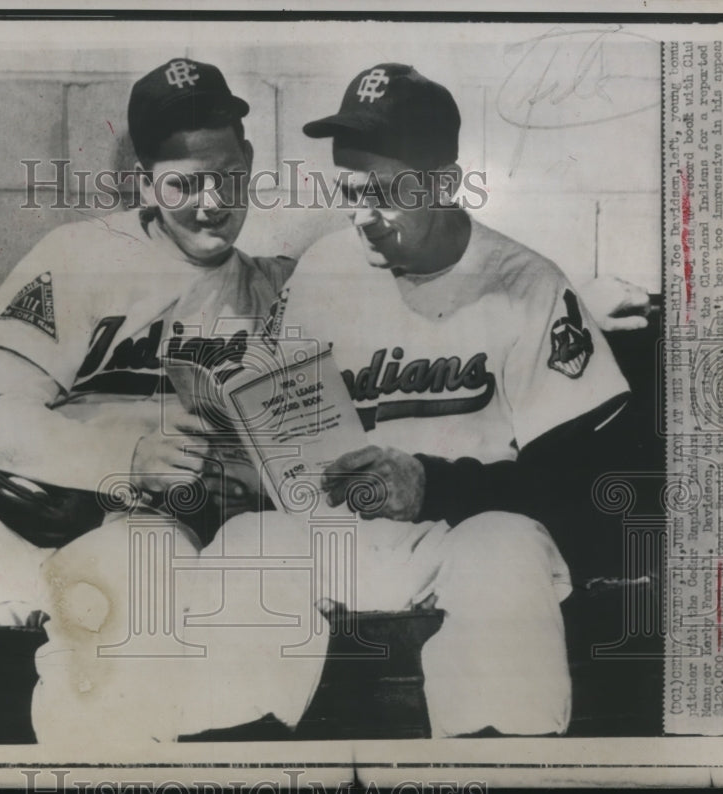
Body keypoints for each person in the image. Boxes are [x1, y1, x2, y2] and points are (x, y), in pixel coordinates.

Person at [0, 58, 326, 746]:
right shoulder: (75, 256)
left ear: (250, 159)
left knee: (133, 590)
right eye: (182, 183)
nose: (211, 201)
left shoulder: (279, 292)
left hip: (144, 534)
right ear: (142, 181)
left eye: (227, 174)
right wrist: (124, 456)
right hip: (15, 519)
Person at [214, 63, 634, 738]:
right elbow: (285, 435)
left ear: (443, 185)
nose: (362, 218)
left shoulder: (526, 285)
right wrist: (249, 473)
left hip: (457, 536)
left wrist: (431, 486)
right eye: (351, 193)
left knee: (504, 552)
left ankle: (501, 767)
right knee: (244, 544)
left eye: (383, 194)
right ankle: (231, 762)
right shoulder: (322, 270)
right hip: (337, 535)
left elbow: (590, 490)